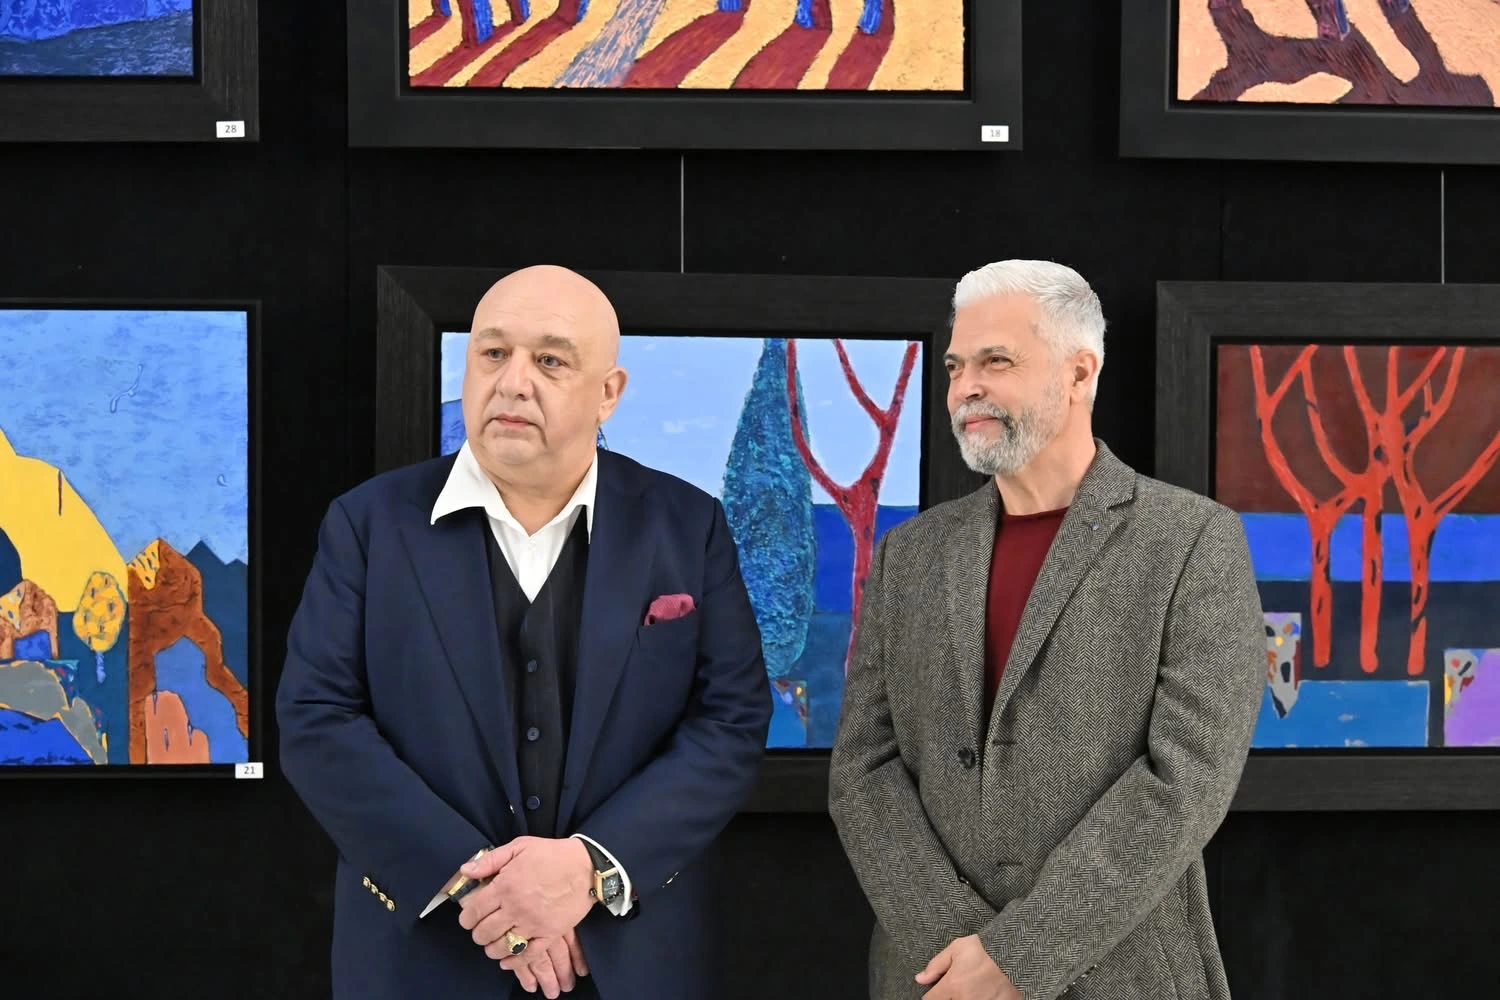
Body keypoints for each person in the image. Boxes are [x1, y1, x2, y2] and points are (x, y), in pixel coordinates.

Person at [276, 264, 772, 999]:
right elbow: (317, 720)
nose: (513, 383)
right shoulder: (368, 524)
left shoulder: (687, 526)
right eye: (493, 353)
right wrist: (489, 895)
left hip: (631, 957)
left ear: (608, 392)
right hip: (423, 959)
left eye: (549, 360)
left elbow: (730, 720)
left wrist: (589, 868)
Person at [827, 260, 1266, 1000]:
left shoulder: (1192, 541)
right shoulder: (912, 554)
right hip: (934, 980)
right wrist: (957, 952)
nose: (965, 387)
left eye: (996, 361)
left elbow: (1186, 780)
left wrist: (1017, 955)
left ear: (1079, 372)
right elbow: (863, 770)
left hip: (1123, 978)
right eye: (955, 366)